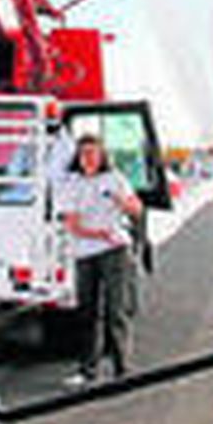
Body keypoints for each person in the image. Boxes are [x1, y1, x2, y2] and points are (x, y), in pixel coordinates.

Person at [58, 135, 144, 387]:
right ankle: (87, 370)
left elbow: (137, 209)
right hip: (85, 253)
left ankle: (123, 369)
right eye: (84, 154)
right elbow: (72, 225)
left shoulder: (115, 180)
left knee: (116, 310)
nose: (89, 159)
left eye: (94, 154)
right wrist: (100, 234)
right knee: (87, 312)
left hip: (115, 252)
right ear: (78, 158)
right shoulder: (71, 184)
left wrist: (123, 202)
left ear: (102, 156)